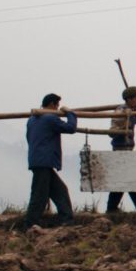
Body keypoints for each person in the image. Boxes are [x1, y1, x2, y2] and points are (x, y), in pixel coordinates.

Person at [20, 94, 78, 229]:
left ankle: (67, 220)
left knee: (60, 191)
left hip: (38, 160)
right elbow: (71, 128)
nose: (58, 108)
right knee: (39, 194)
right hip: (44, 161)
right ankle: (30, 223)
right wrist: (70, 113)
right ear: (52, 104)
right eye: (57, 105)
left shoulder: (32, 119)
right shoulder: (50, 118)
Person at [106, 85, 136, 214]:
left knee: (122, 180)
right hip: (120, 150)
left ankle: (112, 208)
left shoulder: (133, 111)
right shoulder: (121, 111)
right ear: (129, 99)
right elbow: (112, 131)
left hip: (128, 150)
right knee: (130, 179)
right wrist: (124, 127)